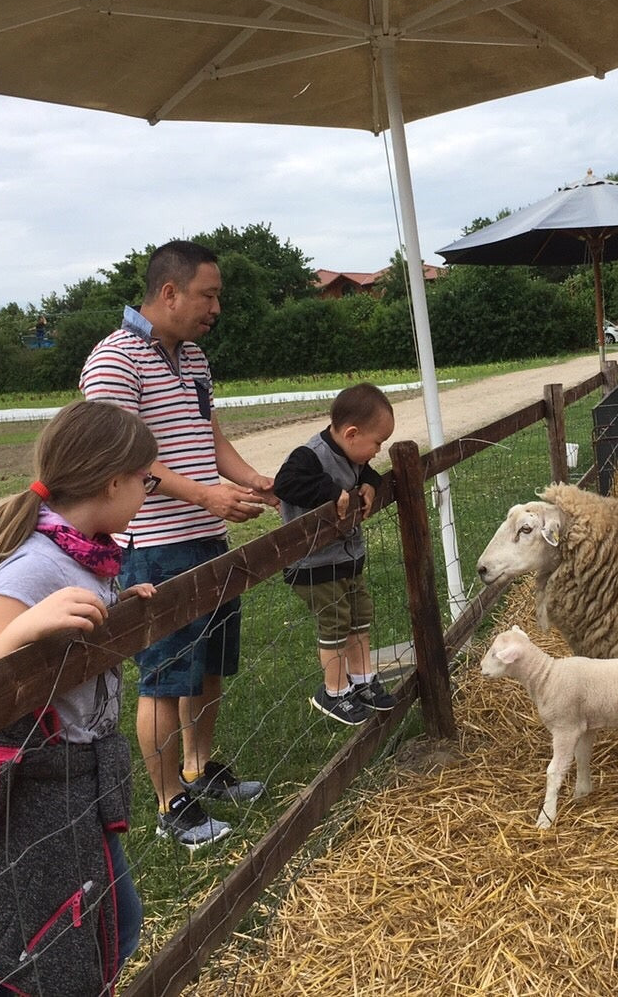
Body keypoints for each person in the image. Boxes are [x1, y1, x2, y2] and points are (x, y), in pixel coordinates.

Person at [0, 400, 159, 996]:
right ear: (113, 481)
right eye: (147, 480)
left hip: (75, 783)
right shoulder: (34, 566)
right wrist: (21, 630)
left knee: (88, 926)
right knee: (29, 941)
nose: (149, 491)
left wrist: (115, 611)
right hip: (32, 791)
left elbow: (74, 624)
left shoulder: (88, 552)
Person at [80, 239, 275, 850]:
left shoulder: (192, 358)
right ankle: (170, 804)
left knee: (209, 666)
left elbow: (207, 432)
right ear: (169, 293)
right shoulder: (112, 361)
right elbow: (121, 459)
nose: (215, 307)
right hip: (153, 545)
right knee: (164, 677)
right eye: (207, 295)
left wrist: (250, 480)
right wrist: (206, 496)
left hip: (206, 539)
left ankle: (198, 767)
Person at [273, 382, 399, 725]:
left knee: (360, 615)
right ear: (352, 433)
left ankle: (361, 681)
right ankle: (334, 691)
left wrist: (372, 482)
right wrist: (331, 491)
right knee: (335, 623)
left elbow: (364, 470)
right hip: (314, 563)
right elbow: (285, 483)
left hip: (345, 559)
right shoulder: (309, 456)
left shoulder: (352, 455)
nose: (377, 451)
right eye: (377, 443)